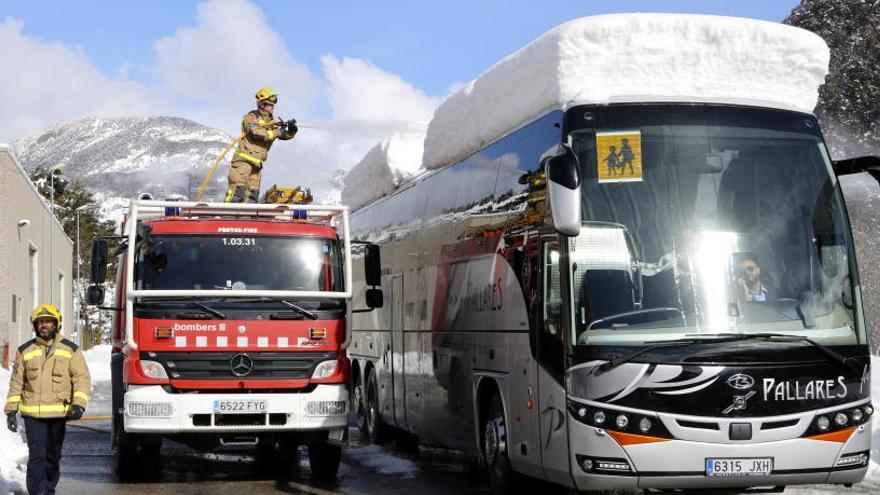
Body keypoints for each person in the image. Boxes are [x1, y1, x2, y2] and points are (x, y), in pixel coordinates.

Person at [5, 304, 91, 495]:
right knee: (37, 457)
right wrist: (11, 410)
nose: (44, 325)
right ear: (35, 325)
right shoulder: (25, 350)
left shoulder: (71, 350)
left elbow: (82, 379)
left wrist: (78, 404)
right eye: (40, 322)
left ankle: (49, 490)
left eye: (48, 322)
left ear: (56, 324)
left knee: (52, 457)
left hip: (58, 414)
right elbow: (16, 382)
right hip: (33, 416)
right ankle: (36, 492)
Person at [225, 87, 298, 203]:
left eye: (273, 105)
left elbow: (282, 135)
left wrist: (291, 132)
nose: (272, 107)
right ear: (262, 104)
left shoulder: (272, 122)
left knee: (252, 196)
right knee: (237, 192)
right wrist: (278, 132)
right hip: (243, 162)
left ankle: (246, 215)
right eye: (270, 104)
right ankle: (227, 212)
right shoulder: (251, 117)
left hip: (257, 165)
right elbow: (256, 133)